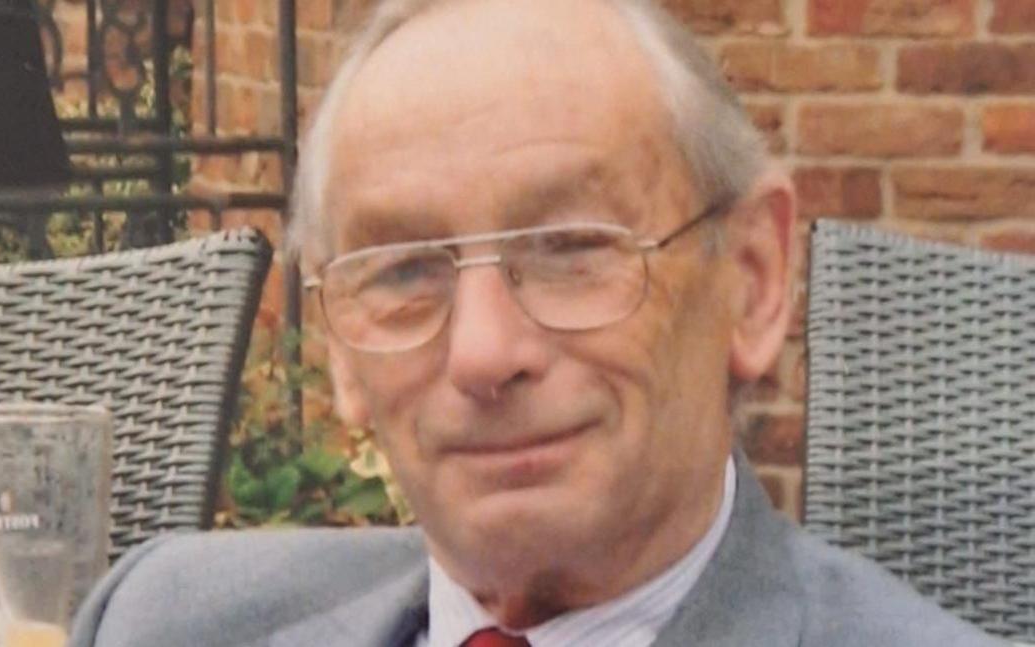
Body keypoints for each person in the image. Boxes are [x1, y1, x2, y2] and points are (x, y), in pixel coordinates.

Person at [69, 0, 1006, 645]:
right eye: (402, 268)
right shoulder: (166, 620)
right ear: (338, 347)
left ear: (753, 282)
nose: (484, 351)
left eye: (571, 248)